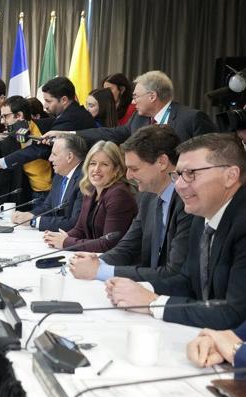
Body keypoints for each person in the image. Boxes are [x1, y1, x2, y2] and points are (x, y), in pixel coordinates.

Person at [106, 133, 246, 330]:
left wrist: (152, 303)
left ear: (230, 176)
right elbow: (186, 281)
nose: (179, 185)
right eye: (177, 175)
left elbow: (233, 313)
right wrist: (140, 290)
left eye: (190, 173)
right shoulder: (201, 217)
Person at [70, 125, 192, 282]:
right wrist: (98, 262)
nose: (128, 175)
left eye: (134, 168)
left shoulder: (188, 201)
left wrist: (101, 271)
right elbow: (127, 246)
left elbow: (174, 273)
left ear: (162, 162)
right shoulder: (148, 197)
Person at [0, 77, 96, 204]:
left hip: (77, 182)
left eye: (48, 101)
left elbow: (39, 149)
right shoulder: (72, 115)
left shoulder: (69, 119)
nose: (45, 105)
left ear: (64, 100)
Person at [47, 71, 217, 146]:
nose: (133, 102)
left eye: (136, 96)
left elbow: (210, 153)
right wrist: (67, 134)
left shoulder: (191, 118)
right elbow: (110, 133)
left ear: (152, 96)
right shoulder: (139, 118)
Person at [44, 140, 137, 252]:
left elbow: (108, 244)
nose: (96, 169)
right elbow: (80, 229)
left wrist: (66, 242)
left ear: (116, 170)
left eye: (104, 164)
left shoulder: (118, 194)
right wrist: (60, 237)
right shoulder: (91, 189)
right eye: (93, 163)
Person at [12, 135, 87, 231]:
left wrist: (34, 221)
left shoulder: (85, 180)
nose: (50, 159)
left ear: (70, 157)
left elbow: (74, 223)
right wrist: (29, 215)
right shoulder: (60, 174)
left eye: (54, 154)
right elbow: (48, 207)